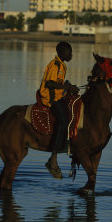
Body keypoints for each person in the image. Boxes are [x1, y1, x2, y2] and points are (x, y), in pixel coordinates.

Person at [39, 42, 79, 179]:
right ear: (62, 53)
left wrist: (68, 86)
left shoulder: (62, 65)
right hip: (50, 99)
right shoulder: (55, 64)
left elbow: (59, 83)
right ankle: (53, 159)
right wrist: (67, 88)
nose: (71, 55)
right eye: (69, 52)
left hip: (58, 97)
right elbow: (49, 83)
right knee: (64, 121)